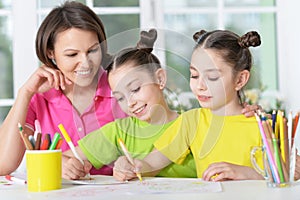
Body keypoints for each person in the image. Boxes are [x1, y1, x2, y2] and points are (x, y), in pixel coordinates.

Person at [113, 29, 269, 182]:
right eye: (194, 75)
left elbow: (283, 176)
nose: (199, 85)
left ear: (240, 80)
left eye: (212, 77)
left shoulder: (264, 124)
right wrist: (130, 166)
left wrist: (248, 174)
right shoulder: (191, 122)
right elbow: (152, 163)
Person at [0, 1, 126, 176]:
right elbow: (3, 165)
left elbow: (153, 148)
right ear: (51, 53)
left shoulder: (123, 88)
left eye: (92, 50)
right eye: (72, 54)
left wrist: (129, 163)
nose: (86, 63)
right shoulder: (40, 95)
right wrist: (25, 93)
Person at [62, 29, 197, 180]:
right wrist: (69, 167)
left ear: (159, 79)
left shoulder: (192, 125)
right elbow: (62, 160)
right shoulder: (120, 131)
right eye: (120, 98)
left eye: (135, 89)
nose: (130, 103)